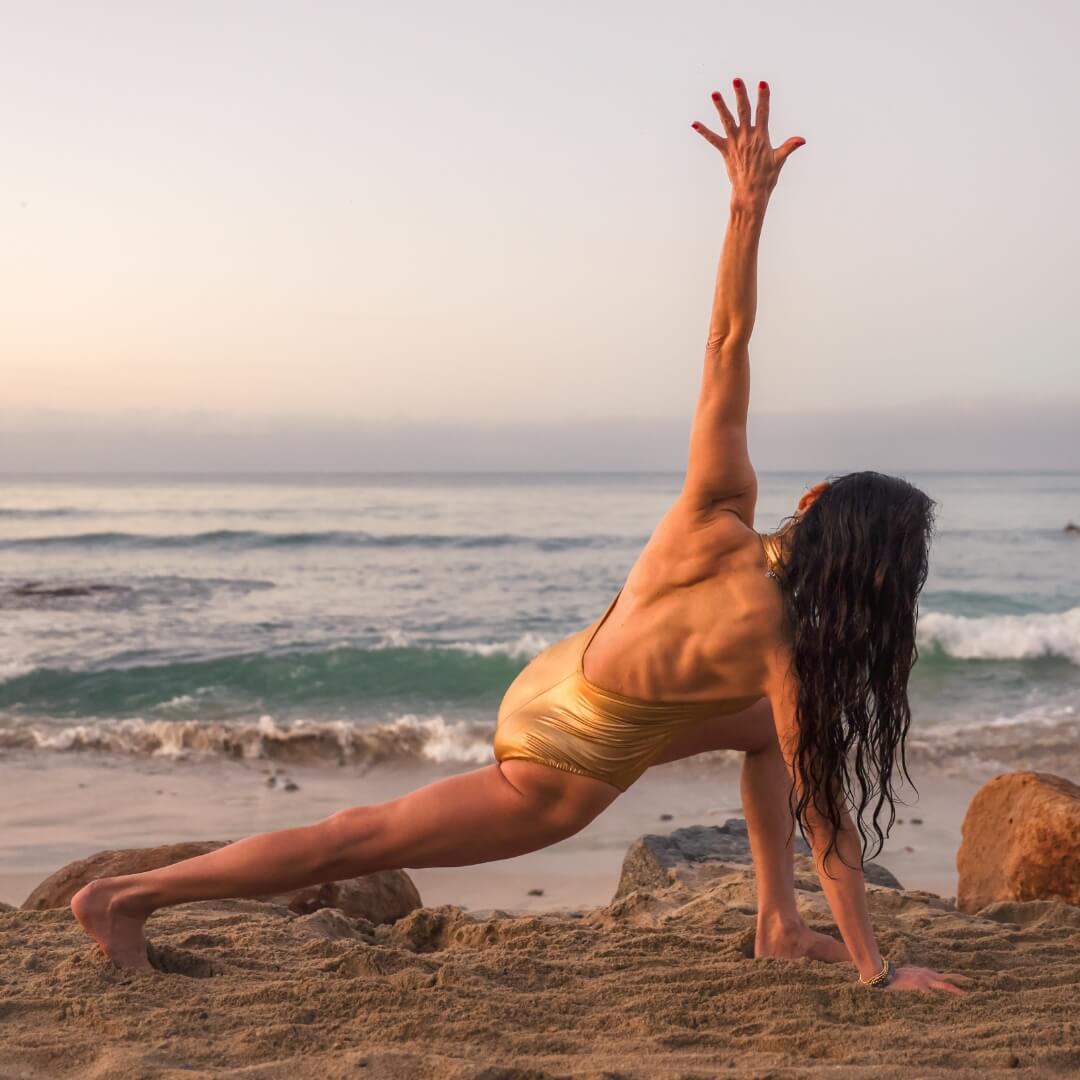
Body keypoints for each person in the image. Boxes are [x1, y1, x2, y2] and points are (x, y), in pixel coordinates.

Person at [73, 78, 968, 994]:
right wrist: (875, 967)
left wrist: (746, 208)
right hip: (558, 765)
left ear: (813, 501)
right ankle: (128, 895)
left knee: (767, 738)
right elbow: (828, 822)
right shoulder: (785, 652)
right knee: (357, 838)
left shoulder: (716, 512)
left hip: (556, 674)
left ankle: (776, 924)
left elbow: (727, 342)